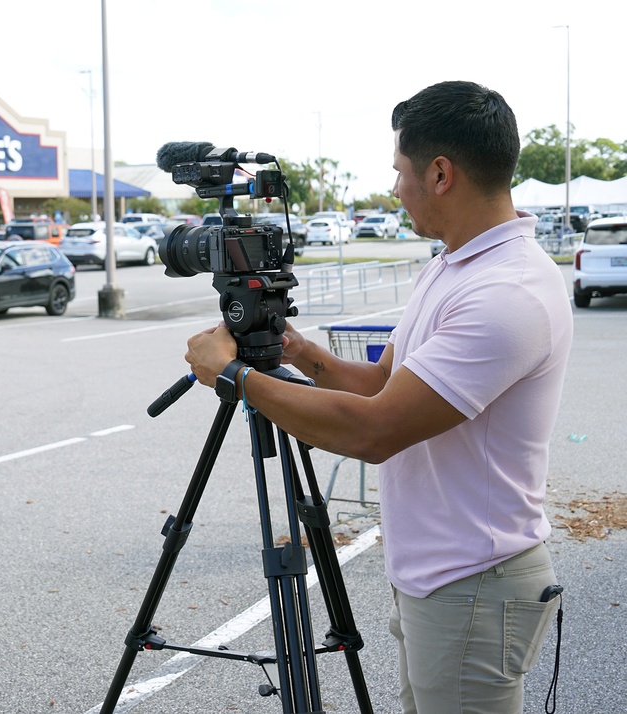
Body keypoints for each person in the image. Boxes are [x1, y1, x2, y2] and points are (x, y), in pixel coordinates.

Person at [184, 81, 573, 714]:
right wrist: (301, 354)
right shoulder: (451, 265)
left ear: (440, 173)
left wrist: (234, 377)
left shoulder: (509, 293)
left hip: (473, 583)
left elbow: (375, 431)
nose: (395, 188)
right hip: (437, 578)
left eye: (400, 172)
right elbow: (384, 385)